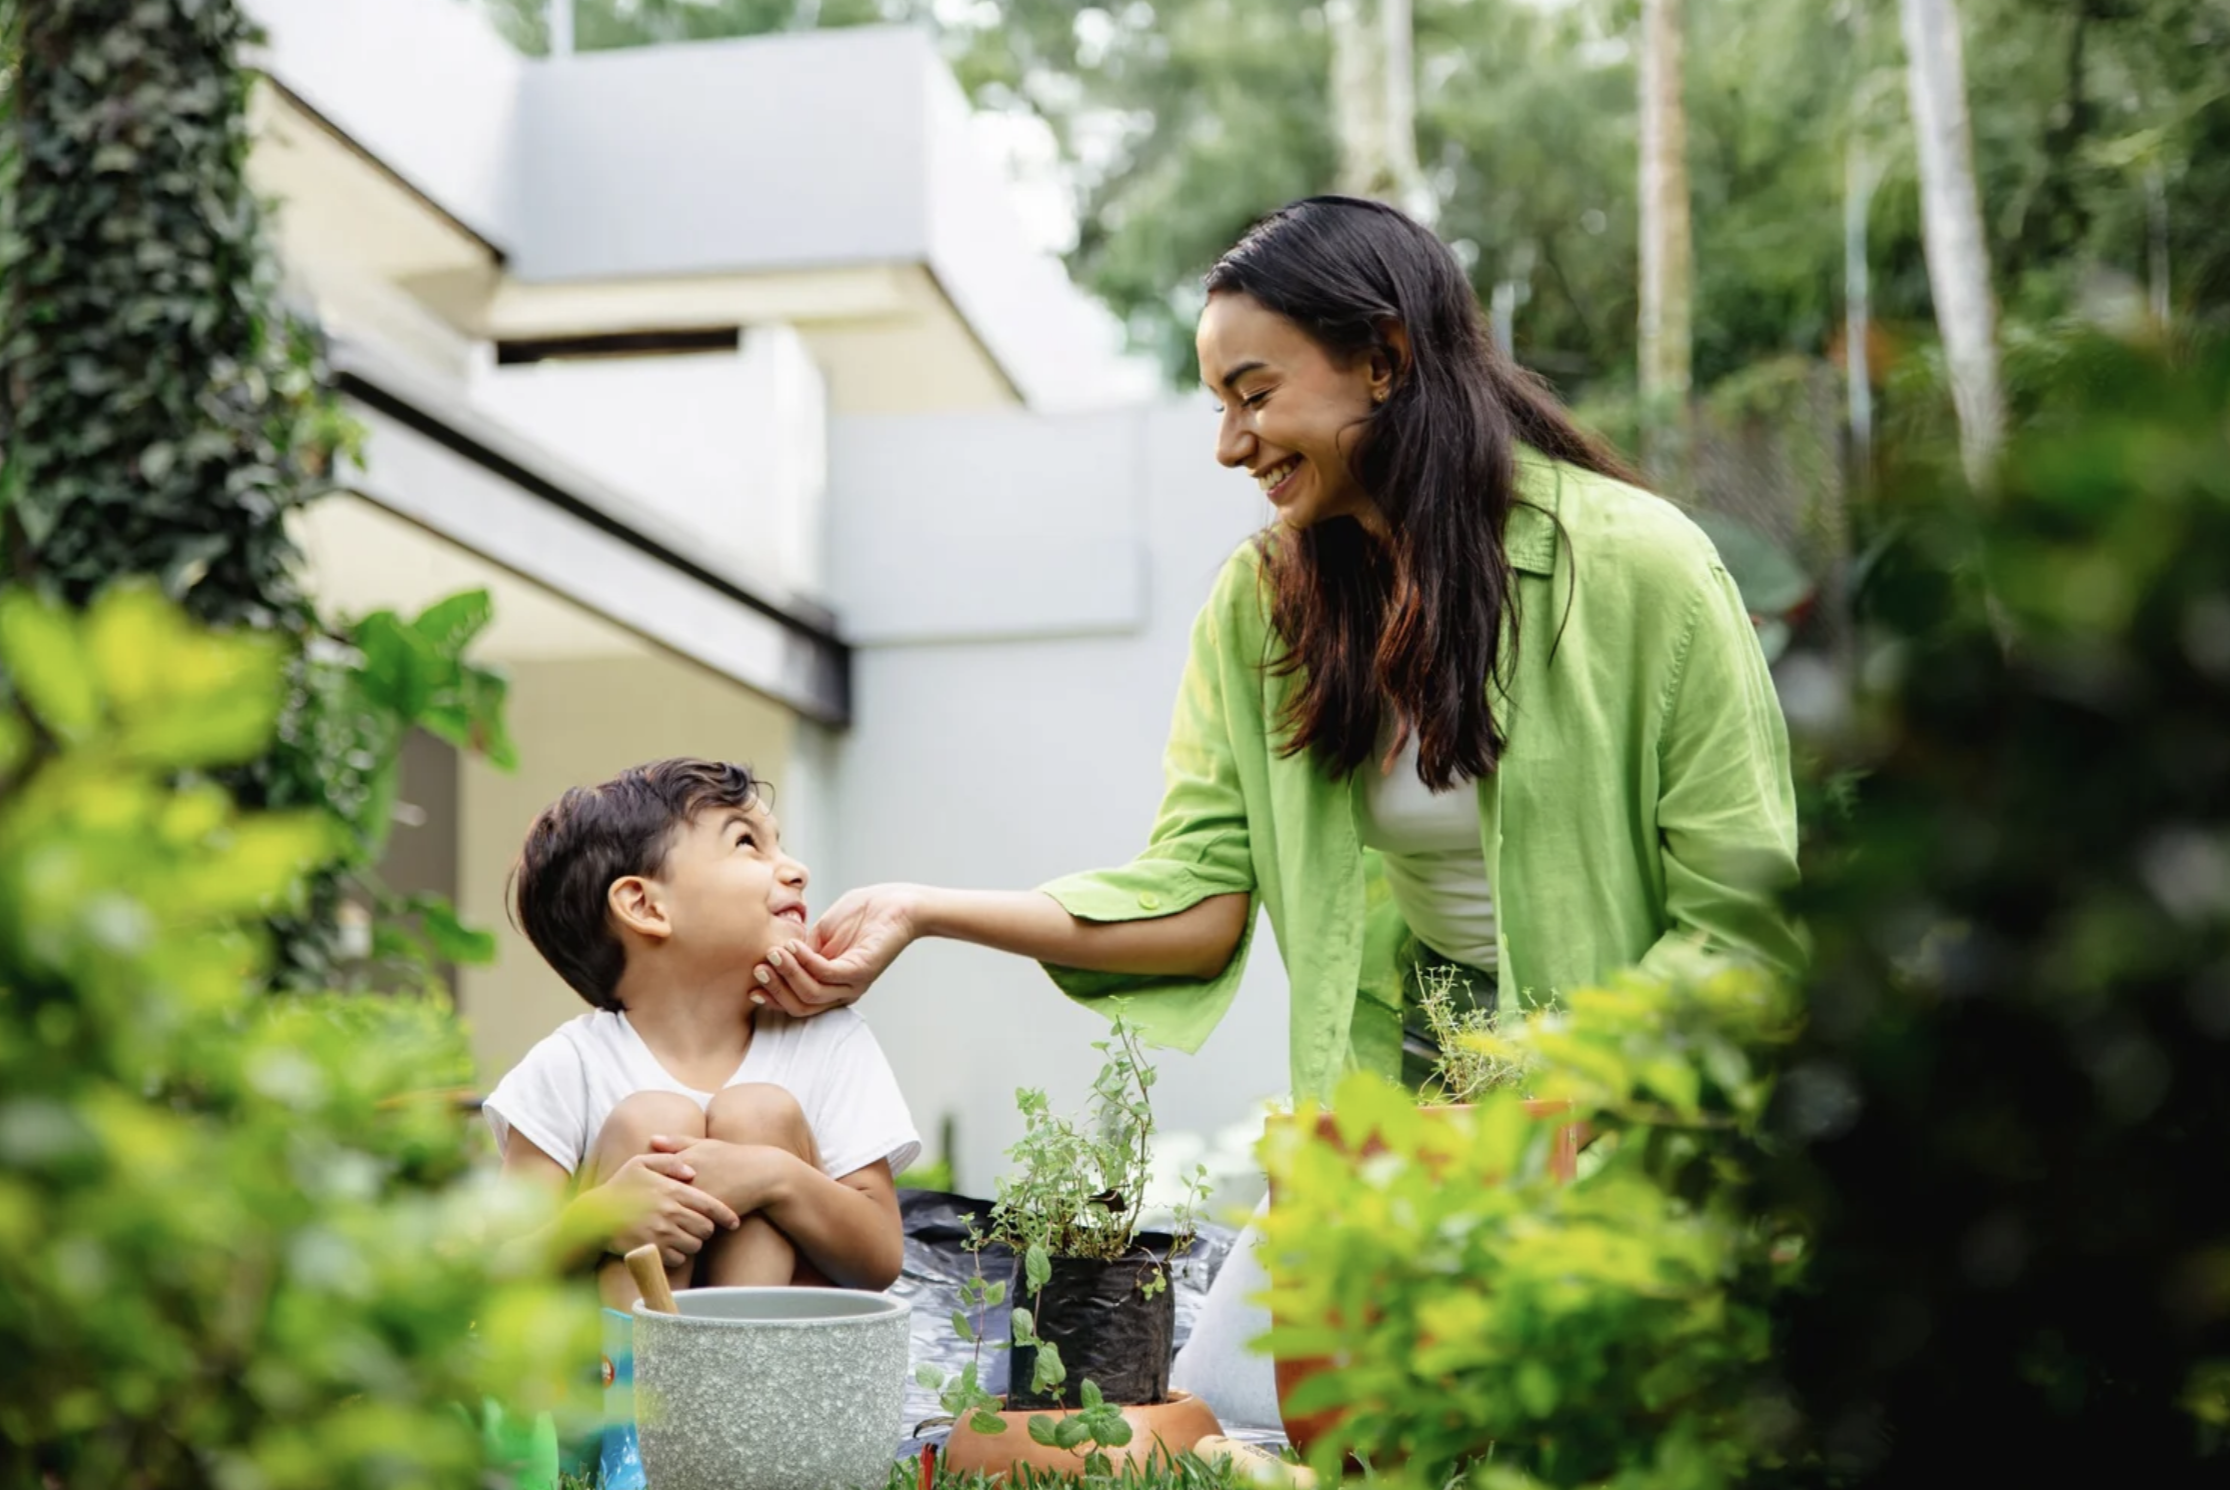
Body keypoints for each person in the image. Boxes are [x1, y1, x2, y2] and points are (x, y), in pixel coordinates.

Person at [749, 196, 1804, 1102]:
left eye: (1254, 394)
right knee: (1236, 1355)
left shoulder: (1644, 569)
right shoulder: (1263, 606)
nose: (1229, 443)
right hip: (1400, 1096)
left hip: (1630, 1104)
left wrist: (1544, 1091)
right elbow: (1200, 897)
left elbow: (1738, 930)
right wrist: (921, 909)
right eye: (1219, 404)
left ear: (1383, 361)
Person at [485, 757, 919, 1305]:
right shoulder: (571, 1066)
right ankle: (640, 1385)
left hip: (777, 1371)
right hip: (612, 1373)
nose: (796, 869)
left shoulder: (829, 1042)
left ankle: (736, 1372)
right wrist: (599, 1218)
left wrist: (772, 1175)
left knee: (760, 1112)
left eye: (778, 843)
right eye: (746, 843)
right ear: (645, 905)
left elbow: (879, 1257)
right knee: (651, 1118)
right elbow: (497, 1272)